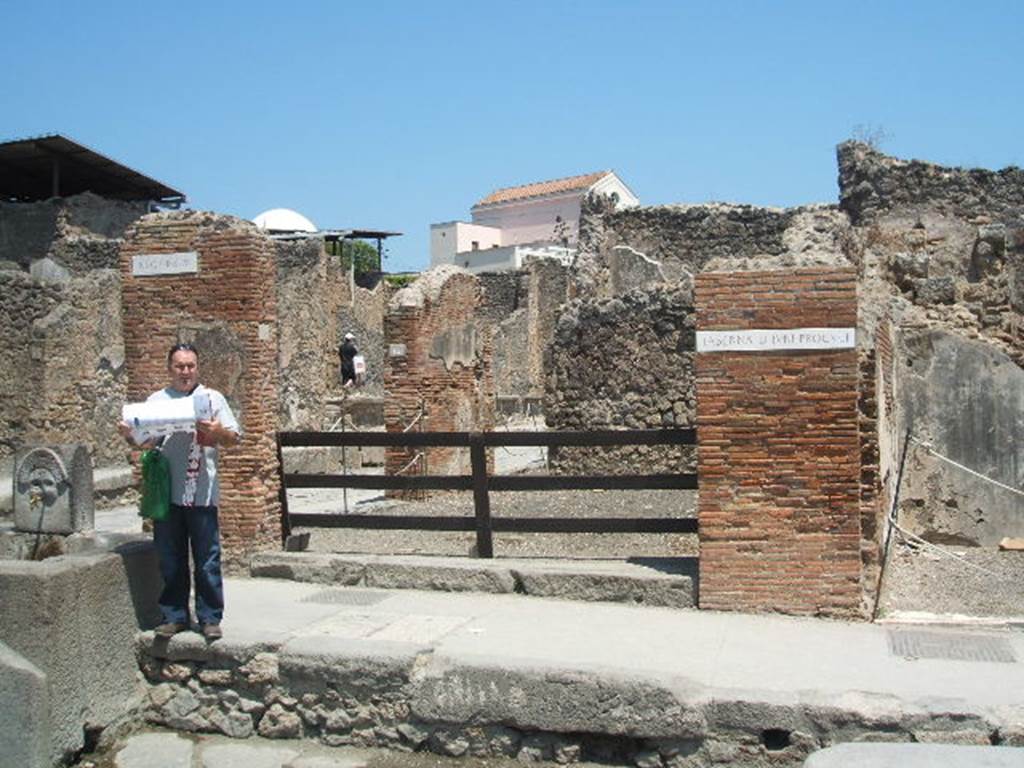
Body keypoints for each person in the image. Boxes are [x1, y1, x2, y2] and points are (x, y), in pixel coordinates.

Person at [119, 343, 240, 641]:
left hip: (201, 491)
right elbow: (145, 442)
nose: (185, 371)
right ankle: (174, 615)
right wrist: (129, 436)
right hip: (168, 493)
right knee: (170, 557)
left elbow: (233, 438)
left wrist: (217, 431)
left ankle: (210, 617)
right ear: (169, 368)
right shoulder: (157, 401)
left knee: (207, 558)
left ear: (197, 367)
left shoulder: (213, 399)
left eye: (190, 366)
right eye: (179, 366)